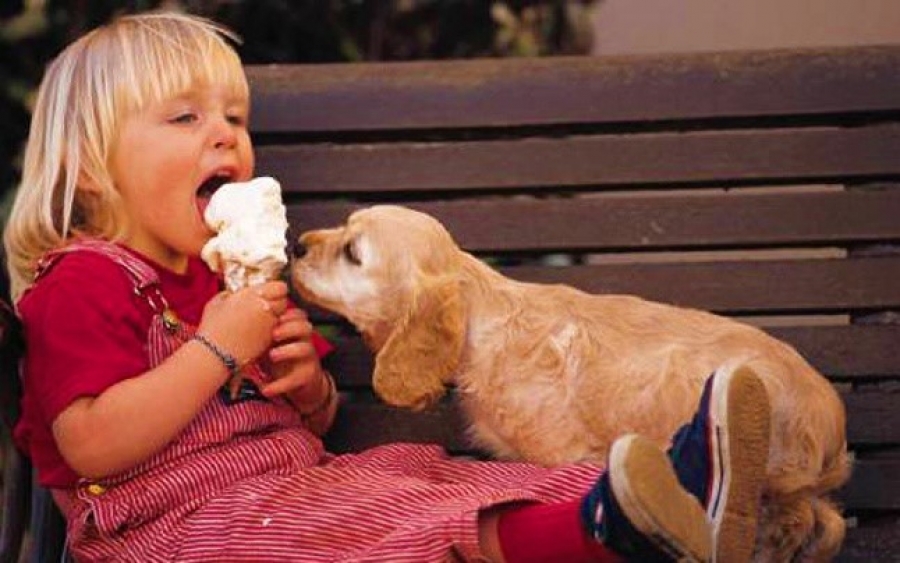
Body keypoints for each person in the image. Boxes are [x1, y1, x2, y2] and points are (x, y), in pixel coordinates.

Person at [2, 12, 771, 562]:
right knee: (393, 527)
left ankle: (674, 489)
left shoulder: (225, 272)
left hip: (291, 489)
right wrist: (213, 349)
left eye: (235, 116)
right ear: (94, 166)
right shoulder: (81, 282)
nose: (225, 134)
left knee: (431, 480)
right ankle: (618, 530)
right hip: (185, 533)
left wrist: (308, 394)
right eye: (185, 117)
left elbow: (297, 415)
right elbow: (91, 441)